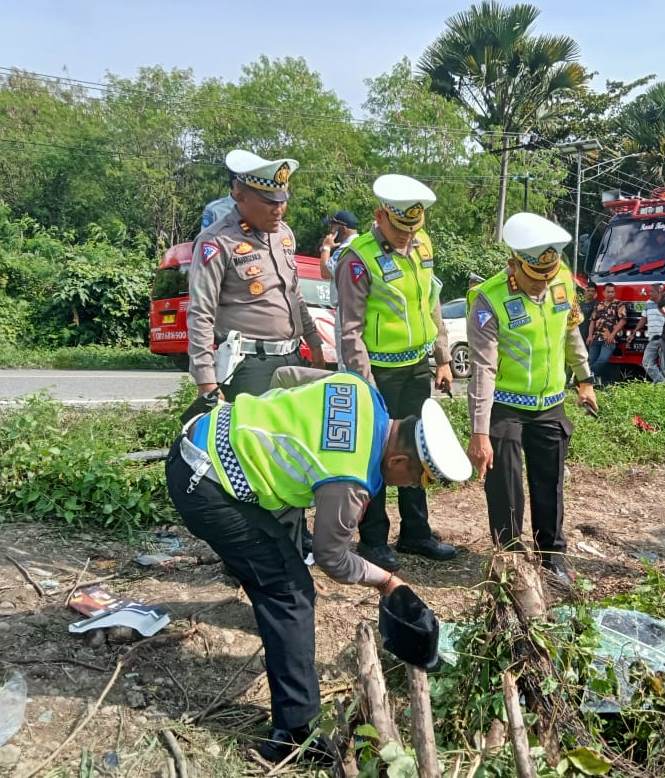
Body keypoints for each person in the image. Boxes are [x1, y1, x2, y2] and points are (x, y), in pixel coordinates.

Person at [166, 369, 471, 764]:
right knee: (290, 592)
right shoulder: (348, 480)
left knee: (286, 553)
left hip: (205, 432)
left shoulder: (360, 389)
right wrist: (387, 582)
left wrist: (271, 425)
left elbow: (284, 374)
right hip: (206, 485)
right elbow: (332, 558)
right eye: (415, 478)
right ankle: (293, 736)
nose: (410, 487)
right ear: (398, 458)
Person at [465, 213, 598, 584]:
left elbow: (570, 334)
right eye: (534, 277)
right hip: (505, 406)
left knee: (549, 481)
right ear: (513, 264)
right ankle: (509, 556)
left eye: (547, 276)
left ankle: (552, 556)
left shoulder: (562, 284)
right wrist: (479, 433)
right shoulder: (487, 300)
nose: (541, 285)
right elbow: (482, 370)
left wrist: (584, 379)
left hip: (550, 403)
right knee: (505, 483)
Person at [335, 174, 455, 571]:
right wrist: (363, 383)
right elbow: (349, 329)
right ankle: (373, 538)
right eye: (400, 228)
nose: (406, 237)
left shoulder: (422, 246)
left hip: (416, 368)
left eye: (413, 228)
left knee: (419, 449)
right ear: (380, 215)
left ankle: (416, 533)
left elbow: (432, 303)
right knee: (376, 457)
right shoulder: (358, 258)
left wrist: (442, 357)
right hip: (378, 374)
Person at [189, 149, 326, 402]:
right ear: (239, 195)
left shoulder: (284, 235)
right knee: (254, 438)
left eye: (282, 200)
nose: (279, 210)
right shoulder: (217, 242)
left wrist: (314, 343)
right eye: (269, 202)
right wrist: (206, 381)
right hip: (249, 367)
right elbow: (201, 313)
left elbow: (293, 294)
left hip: (293, 358)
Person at [319, 210, 359, 368]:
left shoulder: (345, 249)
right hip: (359, 307)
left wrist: (326, 248)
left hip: (346, 311)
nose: (331, 230)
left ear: (342, 228)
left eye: (333, 226)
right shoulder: (361, 244)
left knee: (345, 360)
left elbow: (325, 272)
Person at [586, 283, 627, 383]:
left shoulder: (619, 304)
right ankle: (594, 381)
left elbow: (623, 320)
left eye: (612, 292)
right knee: (591, 360)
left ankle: (587, 376)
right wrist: (590, 336)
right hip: (596, 337)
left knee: (602, 360)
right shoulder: (599, 305)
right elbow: (592, 321)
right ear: (603, 293)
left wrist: (612, 334)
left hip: (609, 338)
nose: (610, 294)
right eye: (608, 292)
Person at [628, 284, 665, 383]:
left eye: (652, 291)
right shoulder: (648, 303)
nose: (649, 293)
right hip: (653, 339)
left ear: (659, 292)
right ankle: (664, 384)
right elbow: (643, 319)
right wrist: (633, 333)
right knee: (646, 363)